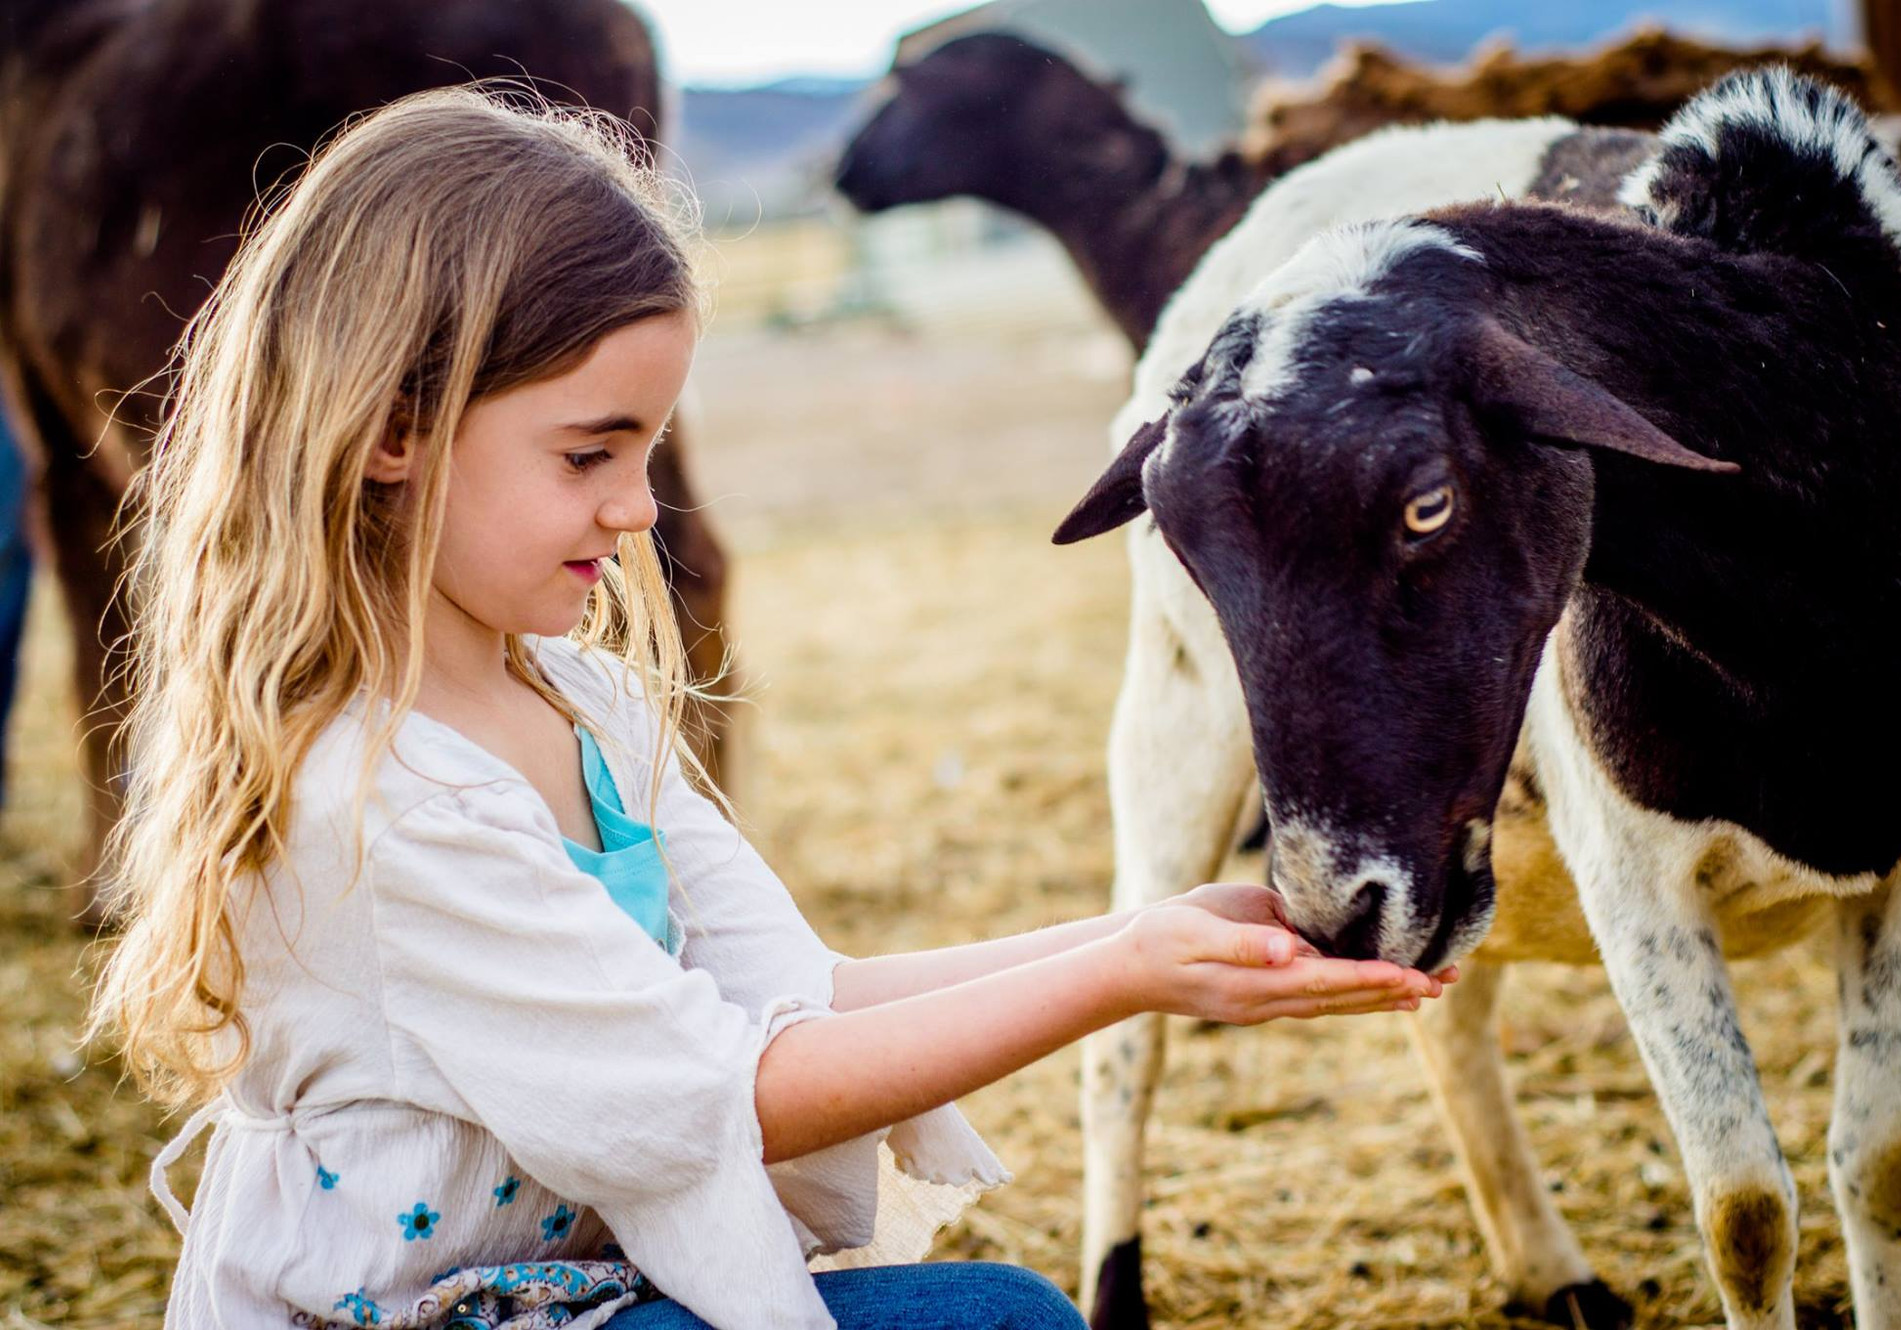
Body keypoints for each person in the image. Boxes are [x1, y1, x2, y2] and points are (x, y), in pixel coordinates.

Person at [81, 87, 1453, 1330]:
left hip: (579, 1295)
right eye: (587, 451)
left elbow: (803, 1001)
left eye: (646, 445)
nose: (635, 505)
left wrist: (1149, 929)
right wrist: (1122, 975)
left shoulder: (582, 702)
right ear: (391, 431)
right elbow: (726, 1095)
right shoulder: (375, 801)